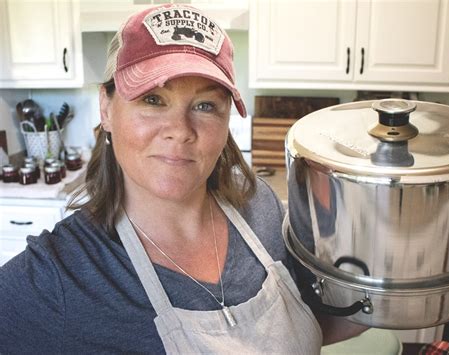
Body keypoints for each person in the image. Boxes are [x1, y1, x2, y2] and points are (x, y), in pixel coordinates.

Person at [0, 3, 365, 353]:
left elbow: (310, 323)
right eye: (153, 100)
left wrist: (392, 293)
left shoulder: (261, 208)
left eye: (205, 106)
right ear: (106, 109)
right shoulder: (60, 275)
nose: (180, 131)